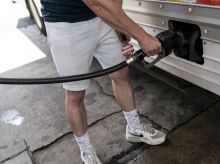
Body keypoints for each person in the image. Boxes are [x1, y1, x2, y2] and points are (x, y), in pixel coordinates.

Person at [40, 0, 166, 163]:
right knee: (75, 93)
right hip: (65, 26)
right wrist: (143, 37)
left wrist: (119, 24)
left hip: (101, 19)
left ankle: (134, 129)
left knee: (121, 74)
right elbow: (96, 2)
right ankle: (86, 149)